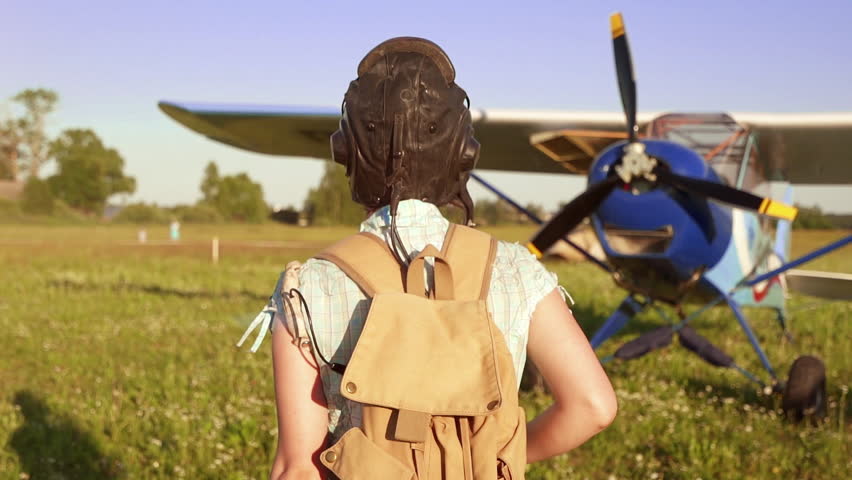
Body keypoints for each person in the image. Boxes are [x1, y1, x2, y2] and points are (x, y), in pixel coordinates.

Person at [246, 37, 617, 480]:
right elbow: (593, 406)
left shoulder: (308, 288)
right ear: (463, 155)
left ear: (346, 151)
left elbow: (298, 468)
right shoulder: (518, 271)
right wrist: (501, 456)